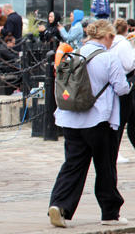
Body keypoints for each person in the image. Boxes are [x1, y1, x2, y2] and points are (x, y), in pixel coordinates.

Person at [48, 19, 131, 228]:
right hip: (98, 120)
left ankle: (60, 205)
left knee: (73, 165)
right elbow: (121, 89)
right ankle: (110, 213)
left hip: (70, 119)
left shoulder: (75, 54)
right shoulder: (109, 58)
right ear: (108, 36)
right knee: (105, 166)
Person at [109, 19, 135, 164]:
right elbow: (129, 65)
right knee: (123, 119)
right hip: (125, 82)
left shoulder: (112, 43)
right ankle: (115, 152)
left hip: (116, 84)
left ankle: (114, 151)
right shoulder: (123, 43)